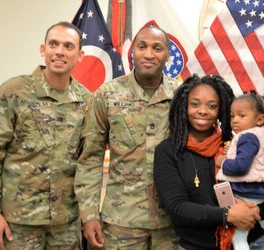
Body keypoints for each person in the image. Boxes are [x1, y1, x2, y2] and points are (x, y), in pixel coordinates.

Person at [0, 21, 89, 250]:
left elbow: (87, 161)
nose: (59, 52)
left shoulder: (86, 100)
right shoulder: (13, 92)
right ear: (43, 49)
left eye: (68, 46)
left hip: (65, 224)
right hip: (18, 222)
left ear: (80, 55)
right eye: (53, 44)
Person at [74, 25, 180, 249]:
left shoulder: (182, 96)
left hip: (171, 220)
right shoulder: (107, 95)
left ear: (168, 55)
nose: (149, 54)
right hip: (122, 221)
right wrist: (90, 214)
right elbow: (90, 159)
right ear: (133, 51)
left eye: (157, 48)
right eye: (142, 47)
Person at [154, 74, 264, 250]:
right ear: (184, 106)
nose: (203, 111)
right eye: (195, 104)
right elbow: (177, 208)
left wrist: (255, 211)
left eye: (212, 106)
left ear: (221, 110)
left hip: (251, 243)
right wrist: (227, 215)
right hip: (197, 246)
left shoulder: (239, 145)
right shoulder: (168, 151)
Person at [216, 92, 264, 250]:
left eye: (241, 115)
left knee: (239, 236)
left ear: (259, 119)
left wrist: (224, 162)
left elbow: (241, 167)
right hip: (263, 192)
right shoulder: (262, 134)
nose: (235, 120)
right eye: (232, 116)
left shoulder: (248, 137)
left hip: (246, 192)